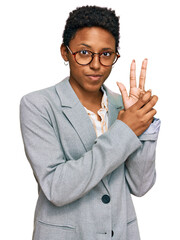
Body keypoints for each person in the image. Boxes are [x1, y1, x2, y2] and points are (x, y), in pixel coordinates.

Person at [20, 5, 160, 240]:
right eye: (84, 53)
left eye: (106, 54)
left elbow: (140, 186)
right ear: (65, 52)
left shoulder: (122, 106)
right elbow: (57, 187)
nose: (96, 65)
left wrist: (142, 121)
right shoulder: (37, 105)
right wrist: (125, 130)